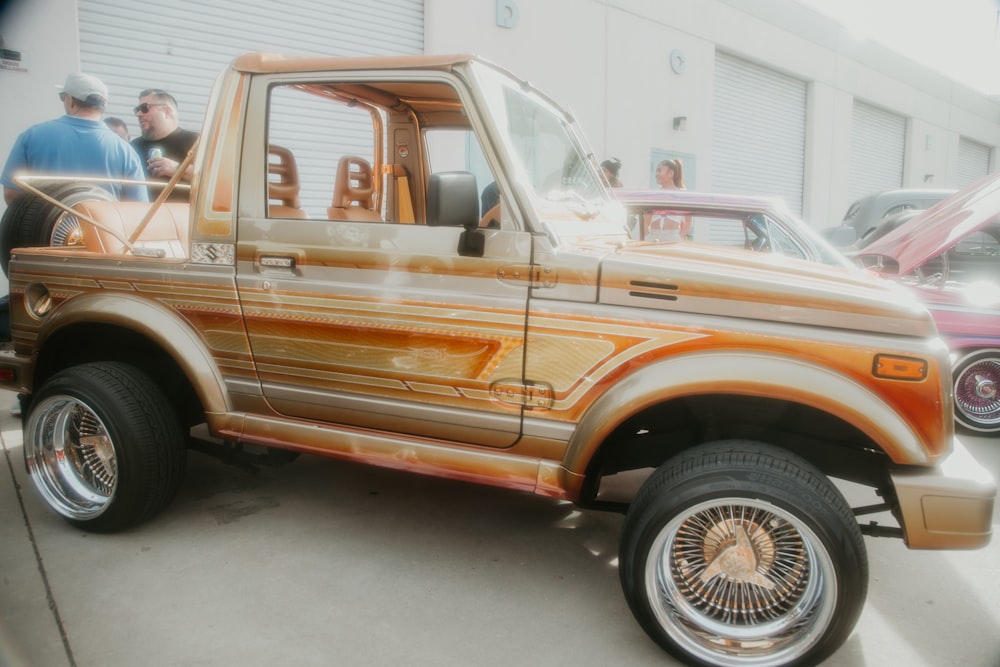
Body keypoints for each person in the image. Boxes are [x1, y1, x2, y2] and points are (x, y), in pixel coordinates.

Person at [1, 72, 148, 204]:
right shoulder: (125, 150)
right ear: (104, 106)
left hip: (44, 232)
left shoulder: (31, 136)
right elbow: (136, 208)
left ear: (70, 101)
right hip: (102, 232)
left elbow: (12, 193)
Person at [131, 88, 199, 201]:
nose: (138, 114)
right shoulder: (133, 146)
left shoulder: (196, 142)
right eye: (137, 110)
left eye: (144, 108)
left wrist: (178, 170)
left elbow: (215, 181)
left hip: (180, 216)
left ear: (167, 111)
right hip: (142, 215)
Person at [647, 157, 691, 241]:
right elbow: (646, 221)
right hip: (653, 236)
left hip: (672, 237)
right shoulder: (654, 194)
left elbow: (688, 221)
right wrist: (647, 236)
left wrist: (679, 237)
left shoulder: (682, 194)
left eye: (659, 170)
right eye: (656, 171)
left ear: (670, 174)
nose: (656, 174)